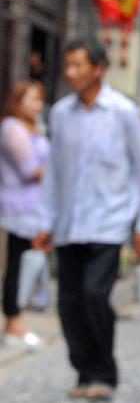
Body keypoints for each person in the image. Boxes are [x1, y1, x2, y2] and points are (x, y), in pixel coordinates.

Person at [33, 37, 140, 400]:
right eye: (68, 65)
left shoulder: (123, 112)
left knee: (94, 295)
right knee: (68, 303)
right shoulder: (60, 114)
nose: (70, 72)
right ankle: (84, 371)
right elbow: (54, 172)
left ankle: (104, 373)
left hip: (109, 222)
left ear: (99, 68)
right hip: (69, 224)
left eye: (78, 65)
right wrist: (44, 221)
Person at [0, 81, 50, 348]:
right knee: (17, 266)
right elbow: (30, 169)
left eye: (39, 100)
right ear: (17, 101)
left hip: (35, 208)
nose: (37, 105)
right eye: (31, 99)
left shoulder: (34, 127)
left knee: (27, 266)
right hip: (17, 209)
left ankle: (17, 321)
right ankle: (13, 323)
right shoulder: (12, 128)